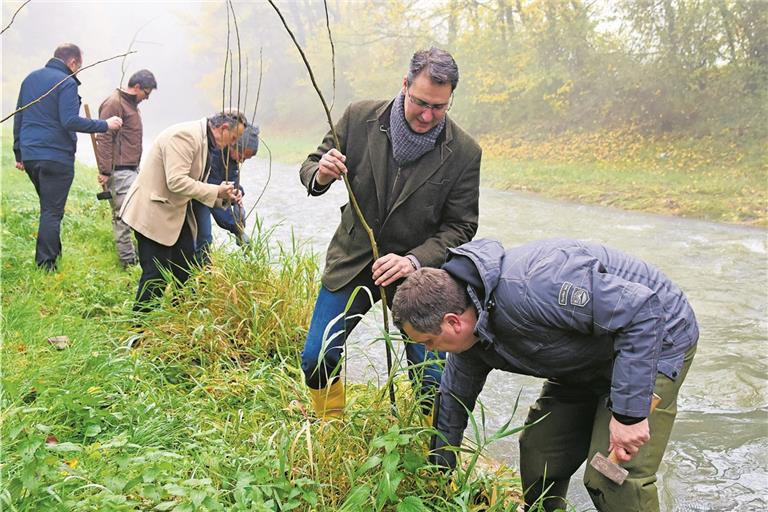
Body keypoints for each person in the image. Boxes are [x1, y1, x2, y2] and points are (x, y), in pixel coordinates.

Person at [391, 238, 699, 512]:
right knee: (541, 453)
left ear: (453, 322)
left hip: (656, 340)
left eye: (429, 342)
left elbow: (642, 311)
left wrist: (629, 416)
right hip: (584, 358)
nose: (431, 352)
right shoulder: (471, 341)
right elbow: (453, 407)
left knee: (611, 477)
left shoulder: (535, 286)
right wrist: (436, 480)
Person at [299, 47, 481, 420]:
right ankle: (330, 429)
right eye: (421, 102)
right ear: (404, 85)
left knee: (431, 376)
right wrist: (322, 174)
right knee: (317, 355)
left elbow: (462, 227)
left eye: (440, 107)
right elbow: (312, 165)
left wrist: (413, 261)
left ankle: (435, 455)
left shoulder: (465, 152)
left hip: (420, 276)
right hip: (351, 261)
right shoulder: (358, 117)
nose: (428, 115)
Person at [120, 111, 247, 312]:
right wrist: (216, 190)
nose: (232, 144)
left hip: (176, 215)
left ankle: (181, 322)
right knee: (156, 277)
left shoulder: (206, 141)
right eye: (233, 138)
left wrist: (224, 196)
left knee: (186, 270)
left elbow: (197, 184)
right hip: (154, 214)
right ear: (223, 129)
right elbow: (176, 181)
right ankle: (138, 330)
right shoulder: (186, 136)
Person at [12, 43, 123, 271]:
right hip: (55, 157)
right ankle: (46, 265)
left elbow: (19, 117)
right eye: (78, 67)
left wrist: (19, 153)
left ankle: (54, 253)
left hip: (32, 155)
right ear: (72, 62)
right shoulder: (67, 82)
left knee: (49, 208)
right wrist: (105, 125)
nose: (77, 71)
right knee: (52, 211)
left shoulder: (30, 79)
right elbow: (69, 121)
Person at [95, 69, 158, 269]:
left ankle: (137, 258)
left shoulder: (132, 104)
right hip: (119, 171)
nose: (146, 98)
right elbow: (104, 136)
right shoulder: (114, 102)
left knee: (138, 214)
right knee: (123, 218)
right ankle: (128, 264)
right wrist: (105, 171)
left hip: (132, 170)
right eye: (146, 93)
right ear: (137, 87)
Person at [192, 124, 260, 264]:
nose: (241, 161)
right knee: (203, 238)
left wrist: (238, 192)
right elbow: (214, 191)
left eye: (246, 159)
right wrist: (236, 228)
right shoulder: (215, 153)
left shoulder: (232, 158)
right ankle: (199, 277)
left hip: (211, 195)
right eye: (242, 156)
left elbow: (231, 182)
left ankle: (202, 275)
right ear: (234, 144)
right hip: (197, 196)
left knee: (204, 238)